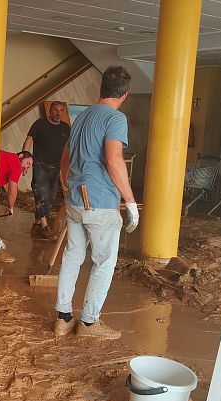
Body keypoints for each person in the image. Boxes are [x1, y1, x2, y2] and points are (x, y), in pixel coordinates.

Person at [54, 66, 140, 339]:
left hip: (76, 201)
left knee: (72, 258)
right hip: (100, 203)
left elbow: (65, 158)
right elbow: (114, 160)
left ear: (100, 89)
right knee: (103, 263)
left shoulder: (81, 117)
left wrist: (67, 183)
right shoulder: (115, 118)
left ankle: (63, 319)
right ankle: (89, 324)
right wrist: (131, 201)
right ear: (124, 95)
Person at [24, 101, 70, 240]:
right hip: (40, 165)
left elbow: (70, 147)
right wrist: (25, 157)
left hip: (56, 167)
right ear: (50, 110)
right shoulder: (40, 124)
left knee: (50, 197)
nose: (58, 113)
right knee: (41, 193)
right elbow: (29, 140)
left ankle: (37, 223)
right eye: (55, 110)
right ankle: (44, 226)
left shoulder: (65, 127)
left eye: (61, 110)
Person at [0, 150, 34, 263]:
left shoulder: (7, 156)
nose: (26, 167)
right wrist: (11, 207)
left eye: (29, 166)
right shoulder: (16, 162)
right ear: (20, 156)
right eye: (27, 163)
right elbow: (12, 190)